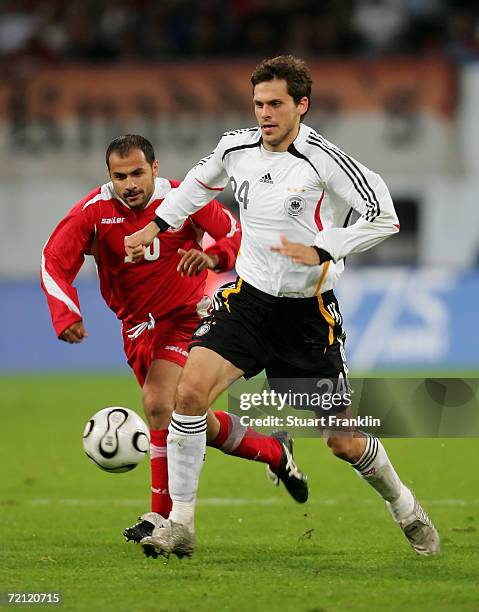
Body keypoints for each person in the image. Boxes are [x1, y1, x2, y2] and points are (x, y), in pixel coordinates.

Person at [125, 56, 440, 560]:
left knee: (344, 442)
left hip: (306, 317)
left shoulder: (325, 160)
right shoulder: (235, 148)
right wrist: (155, 227)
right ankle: (180, 524)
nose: (265, 113)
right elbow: (192, 190)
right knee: (188, 395)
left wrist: (325, 246)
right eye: (258, 104)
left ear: (302, 106)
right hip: (247, 303)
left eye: (275, 104)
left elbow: (384, 217)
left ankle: (404, 505)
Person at [41, 134, 309, 553]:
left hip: (187, 318)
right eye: (119, 176)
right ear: (109, 176)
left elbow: (239, 233)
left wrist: (214, 256)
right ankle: (273, 450)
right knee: (187, 415)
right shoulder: (95, 212)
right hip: (136, 330)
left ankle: (162, 518)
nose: (129, 183)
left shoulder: (185, 199)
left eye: (137, 173)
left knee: (158, 402)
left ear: (155, 168)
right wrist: (67, 313)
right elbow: (54, 260)